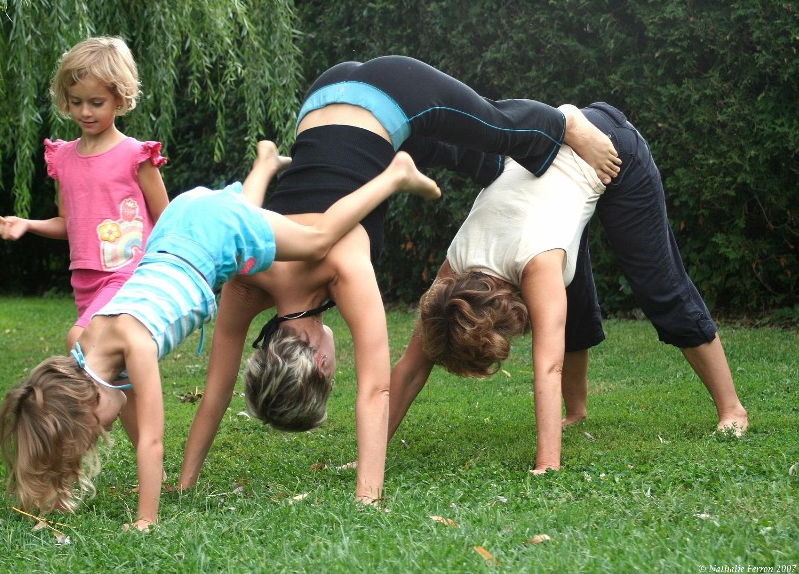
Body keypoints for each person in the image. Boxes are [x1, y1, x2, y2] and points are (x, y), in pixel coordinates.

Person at [179, 55, 621, 504]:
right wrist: (181, 485)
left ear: (321, 365)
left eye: (331, 381)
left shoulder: (342, 266)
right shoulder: (250, 275)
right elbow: (217, 393)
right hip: (319, 101)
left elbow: (376, 390)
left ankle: (567, 125)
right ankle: (489, 163)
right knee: (475, 159)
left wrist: (367, 497)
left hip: (393, 93)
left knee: (496, 125)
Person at [0, 140, 441, 531]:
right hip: (180, 226)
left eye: (97, 430)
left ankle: (394, 174)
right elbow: (100, 407)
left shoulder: (137, 344)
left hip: (206, 234)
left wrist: (148, 516)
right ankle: (264, 162)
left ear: (87, 400)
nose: (106, 430)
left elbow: (150, 440)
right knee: (240, 213)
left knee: (319, 239)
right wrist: (57, 473)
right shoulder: (83, 341)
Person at [387, 102, 748, 474]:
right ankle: (576, 411)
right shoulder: (454, 270)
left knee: (659, 287)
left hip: (606, 148)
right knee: (566, 293)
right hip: (556, 161)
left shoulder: (536, 261)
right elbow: (412, 366)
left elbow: (548, 366)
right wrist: (368, 453)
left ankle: (732, 409)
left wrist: (547, 464)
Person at [0, 36, 169, 351]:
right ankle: (129, 401)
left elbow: (168, 222)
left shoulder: (135, 156)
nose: (85, 112)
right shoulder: (62, 158)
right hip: (84, 279)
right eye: (76, 102)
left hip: (128, 272)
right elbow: (68, 223)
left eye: (96, 103)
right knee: (114, 364)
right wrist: (28, 224)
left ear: (120, 98)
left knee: (81, 339)